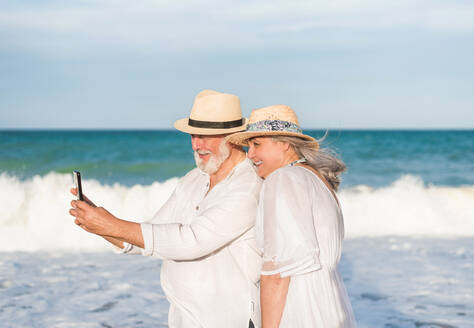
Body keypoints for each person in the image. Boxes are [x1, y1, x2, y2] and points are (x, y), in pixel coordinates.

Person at [68, 90, 262, 328]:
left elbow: (191, 241)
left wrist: (110, 224)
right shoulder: (193, 178)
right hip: (184, 319)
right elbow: (151, 236)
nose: (196, 144)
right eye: (193, 135)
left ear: (233, 137)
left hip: (231, 320)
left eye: (205, 136)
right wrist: (97, 223)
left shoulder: (249, 184)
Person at [227, 104, 357, 328]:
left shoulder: (283, 179)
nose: (250, 155)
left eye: (257, 144)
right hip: (329, 305)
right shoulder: (319, 181)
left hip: (299, 308)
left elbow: (277, 273)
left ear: (285, 143)